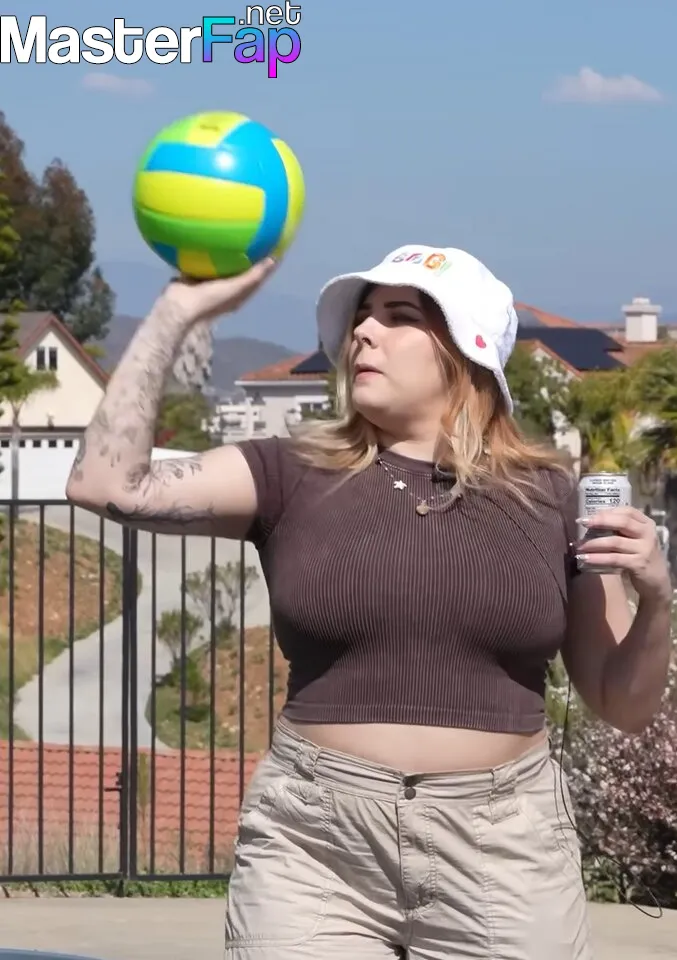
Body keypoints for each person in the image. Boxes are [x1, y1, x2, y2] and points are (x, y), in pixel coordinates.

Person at [66, 244, 673, 959]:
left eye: (398, 316)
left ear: (468, 349)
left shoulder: (553, 500)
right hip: (314, 844)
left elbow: (622, 704)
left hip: (505, 850)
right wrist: (176, 313)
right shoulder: (289, 473)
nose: (363, 332)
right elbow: (105, 485)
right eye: (360, 317)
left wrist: (657, 598)